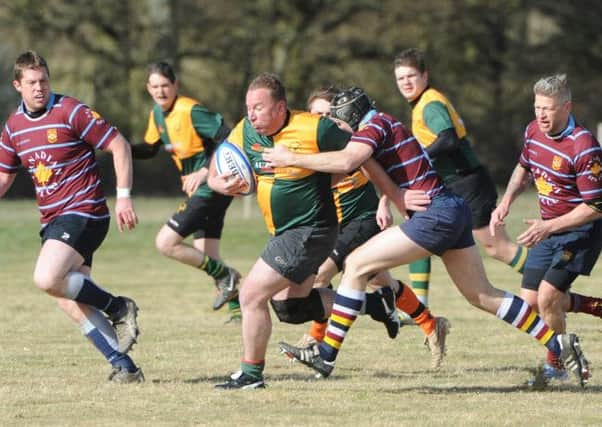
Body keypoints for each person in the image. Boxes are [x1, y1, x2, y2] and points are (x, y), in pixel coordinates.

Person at [266, 86, 590, 387]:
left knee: (356, 265)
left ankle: (326, 356)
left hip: (436, 214)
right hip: (449, 209)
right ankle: (556, 342)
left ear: (350, 117)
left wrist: (291, 158)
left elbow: (349, 160)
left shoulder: (372, 128)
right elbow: (368, 169)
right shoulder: (379, 125)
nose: (334, 128)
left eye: (336, 121)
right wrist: (395, 197)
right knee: (481, 295)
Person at [208, 73, 401, 389]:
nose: (251, 113)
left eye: (259, 107)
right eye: (248, 107)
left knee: (251, 294)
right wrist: (220, 183)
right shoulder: (245, 130)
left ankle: (251, 375)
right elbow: (219, 165)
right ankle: (375, 304)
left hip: (310, 229)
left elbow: (363, 156)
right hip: (284, 232)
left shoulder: (315, 127)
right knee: (290, 306)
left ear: (281, 107)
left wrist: (389, 199)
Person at [0, 51, 143, 383]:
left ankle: (120, 308)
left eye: (44, 81)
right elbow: (4, 179)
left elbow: (119, 145)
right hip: (54, 221)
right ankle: (124, 367)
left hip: (85, 210)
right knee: (65, 296)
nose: (40, 88)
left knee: (46, 278)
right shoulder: (14, 127)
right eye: (32, 83)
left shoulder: (70, 111)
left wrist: (123, 198)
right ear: (17, 85)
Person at [295, 86, 451, 370]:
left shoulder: (356, 142)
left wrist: (385, 203)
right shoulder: (314, 148)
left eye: (329, 114)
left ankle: (314, 341)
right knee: (382, 283)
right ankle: (430, 324)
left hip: (363, 221)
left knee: (319, 277)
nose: (324, 119)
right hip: (338, 225)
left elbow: (391, 168)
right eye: (317, 114)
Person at [392, 48, 530, 308]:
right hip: (455, 184)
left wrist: (418, 156)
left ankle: (548, 282)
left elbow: (448, 140)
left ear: (425, 74)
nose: (406, 82)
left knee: (496, 247)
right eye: (400, 78)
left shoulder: (430, 103)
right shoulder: (423, 103)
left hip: (468, 183)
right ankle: (417, 304)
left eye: (411, 75)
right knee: (417, 225)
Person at [490, 74, 602, 386]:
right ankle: (593, 307)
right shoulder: (532, 131)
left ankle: (560, 365)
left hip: (580, 232)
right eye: (537, 107)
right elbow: (524, 166)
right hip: (547, 230)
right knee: (530, 303)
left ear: (567, 107)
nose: (541, 115)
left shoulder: (584, 146)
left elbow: (596, 206)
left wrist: (548, 226)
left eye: (548, 109)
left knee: (549, 296)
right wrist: (506, 201)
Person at [131, 62, 241, 320]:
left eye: (165, 86)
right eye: (155, 87)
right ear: (148, 88)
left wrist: (204, 172)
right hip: (203, 192)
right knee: (207, 255)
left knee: (166, 242)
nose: (160, 91)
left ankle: (228, 276)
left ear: (175, 85)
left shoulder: (190, 110)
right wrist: (114, 145)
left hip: (211, 187)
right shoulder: (157, 115)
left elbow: (228, 136)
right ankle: (238, 310)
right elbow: (149, 149)